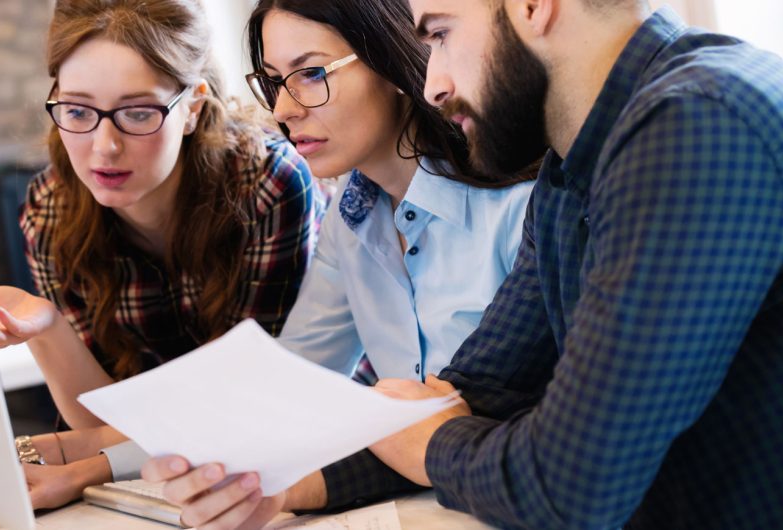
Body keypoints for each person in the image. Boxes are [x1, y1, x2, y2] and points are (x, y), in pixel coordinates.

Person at [145, 0, 783, 528]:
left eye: (439, 33)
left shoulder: (697, 121)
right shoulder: (574, 165)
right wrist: (285, 486)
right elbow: (483, 389)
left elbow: (570, 489)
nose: (434, 83)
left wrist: (430, 439)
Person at [91, 0, 536, 522]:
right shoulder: (351, 216)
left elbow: (508, 421)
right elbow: (285, 386)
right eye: (274, 81)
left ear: (394, 59)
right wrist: (94, 467)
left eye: (310, 73)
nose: (283, 110)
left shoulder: (521, 207)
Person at [0, 0, 323, 520]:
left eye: (138, 112)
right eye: (77, 111)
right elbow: (96, 418)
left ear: (193, 108)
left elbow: (255, 404)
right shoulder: (52, 209)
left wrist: (75, 462)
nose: (103, 147)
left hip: (299, 466)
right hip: (160, 485)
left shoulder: (268, 185)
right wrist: (46, 327)